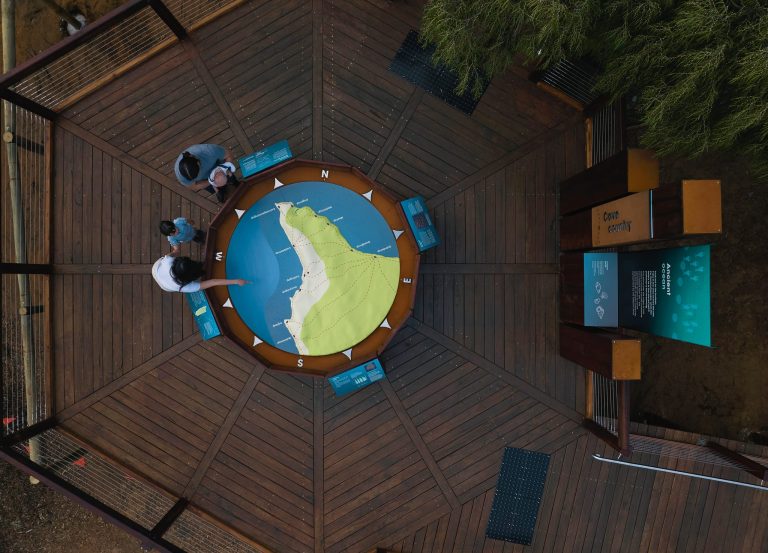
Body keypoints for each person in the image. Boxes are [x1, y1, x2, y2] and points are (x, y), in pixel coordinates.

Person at [151, 255, 247, 293]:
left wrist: (175, 250)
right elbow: (213, 282)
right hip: (164, 283)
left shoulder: (168, 260)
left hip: (157, 267)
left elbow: (168, 257)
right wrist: (235, 281)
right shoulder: (185, 287)